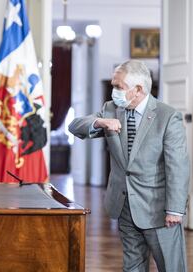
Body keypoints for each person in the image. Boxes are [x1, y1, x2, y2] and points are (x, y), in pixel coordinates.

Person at [69, 60, 189, 271]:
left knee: (171, 267)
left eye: (118, 87)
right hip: (124, 207)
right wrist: (100, 122)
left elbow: (177, 166)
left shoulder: (168, 116)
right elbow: (75, 126)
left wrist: (175, 210)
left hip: (159, 210)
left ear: (138, 89)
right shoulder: (111, 109)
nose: (114, 91)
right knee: (132, 267)